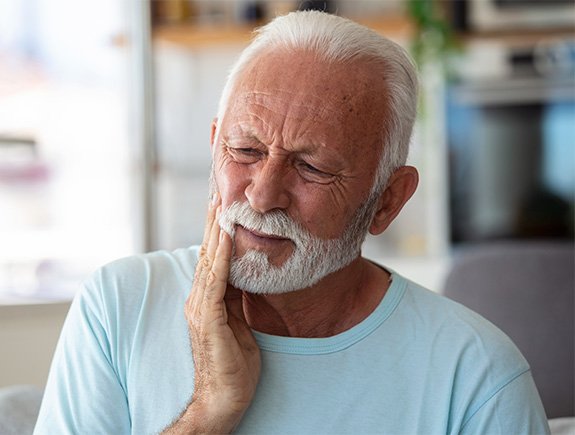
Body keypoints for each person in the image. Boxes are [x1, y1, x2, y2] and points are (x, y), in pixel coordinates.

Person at [34, 11, 550, 434]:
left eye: (312, 168)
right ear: (215, 144)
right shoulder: (119, 306)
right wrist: (209, 411)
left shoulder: (477, 375)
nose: (261, 195)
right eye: (244, 150)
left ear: (387, 201)